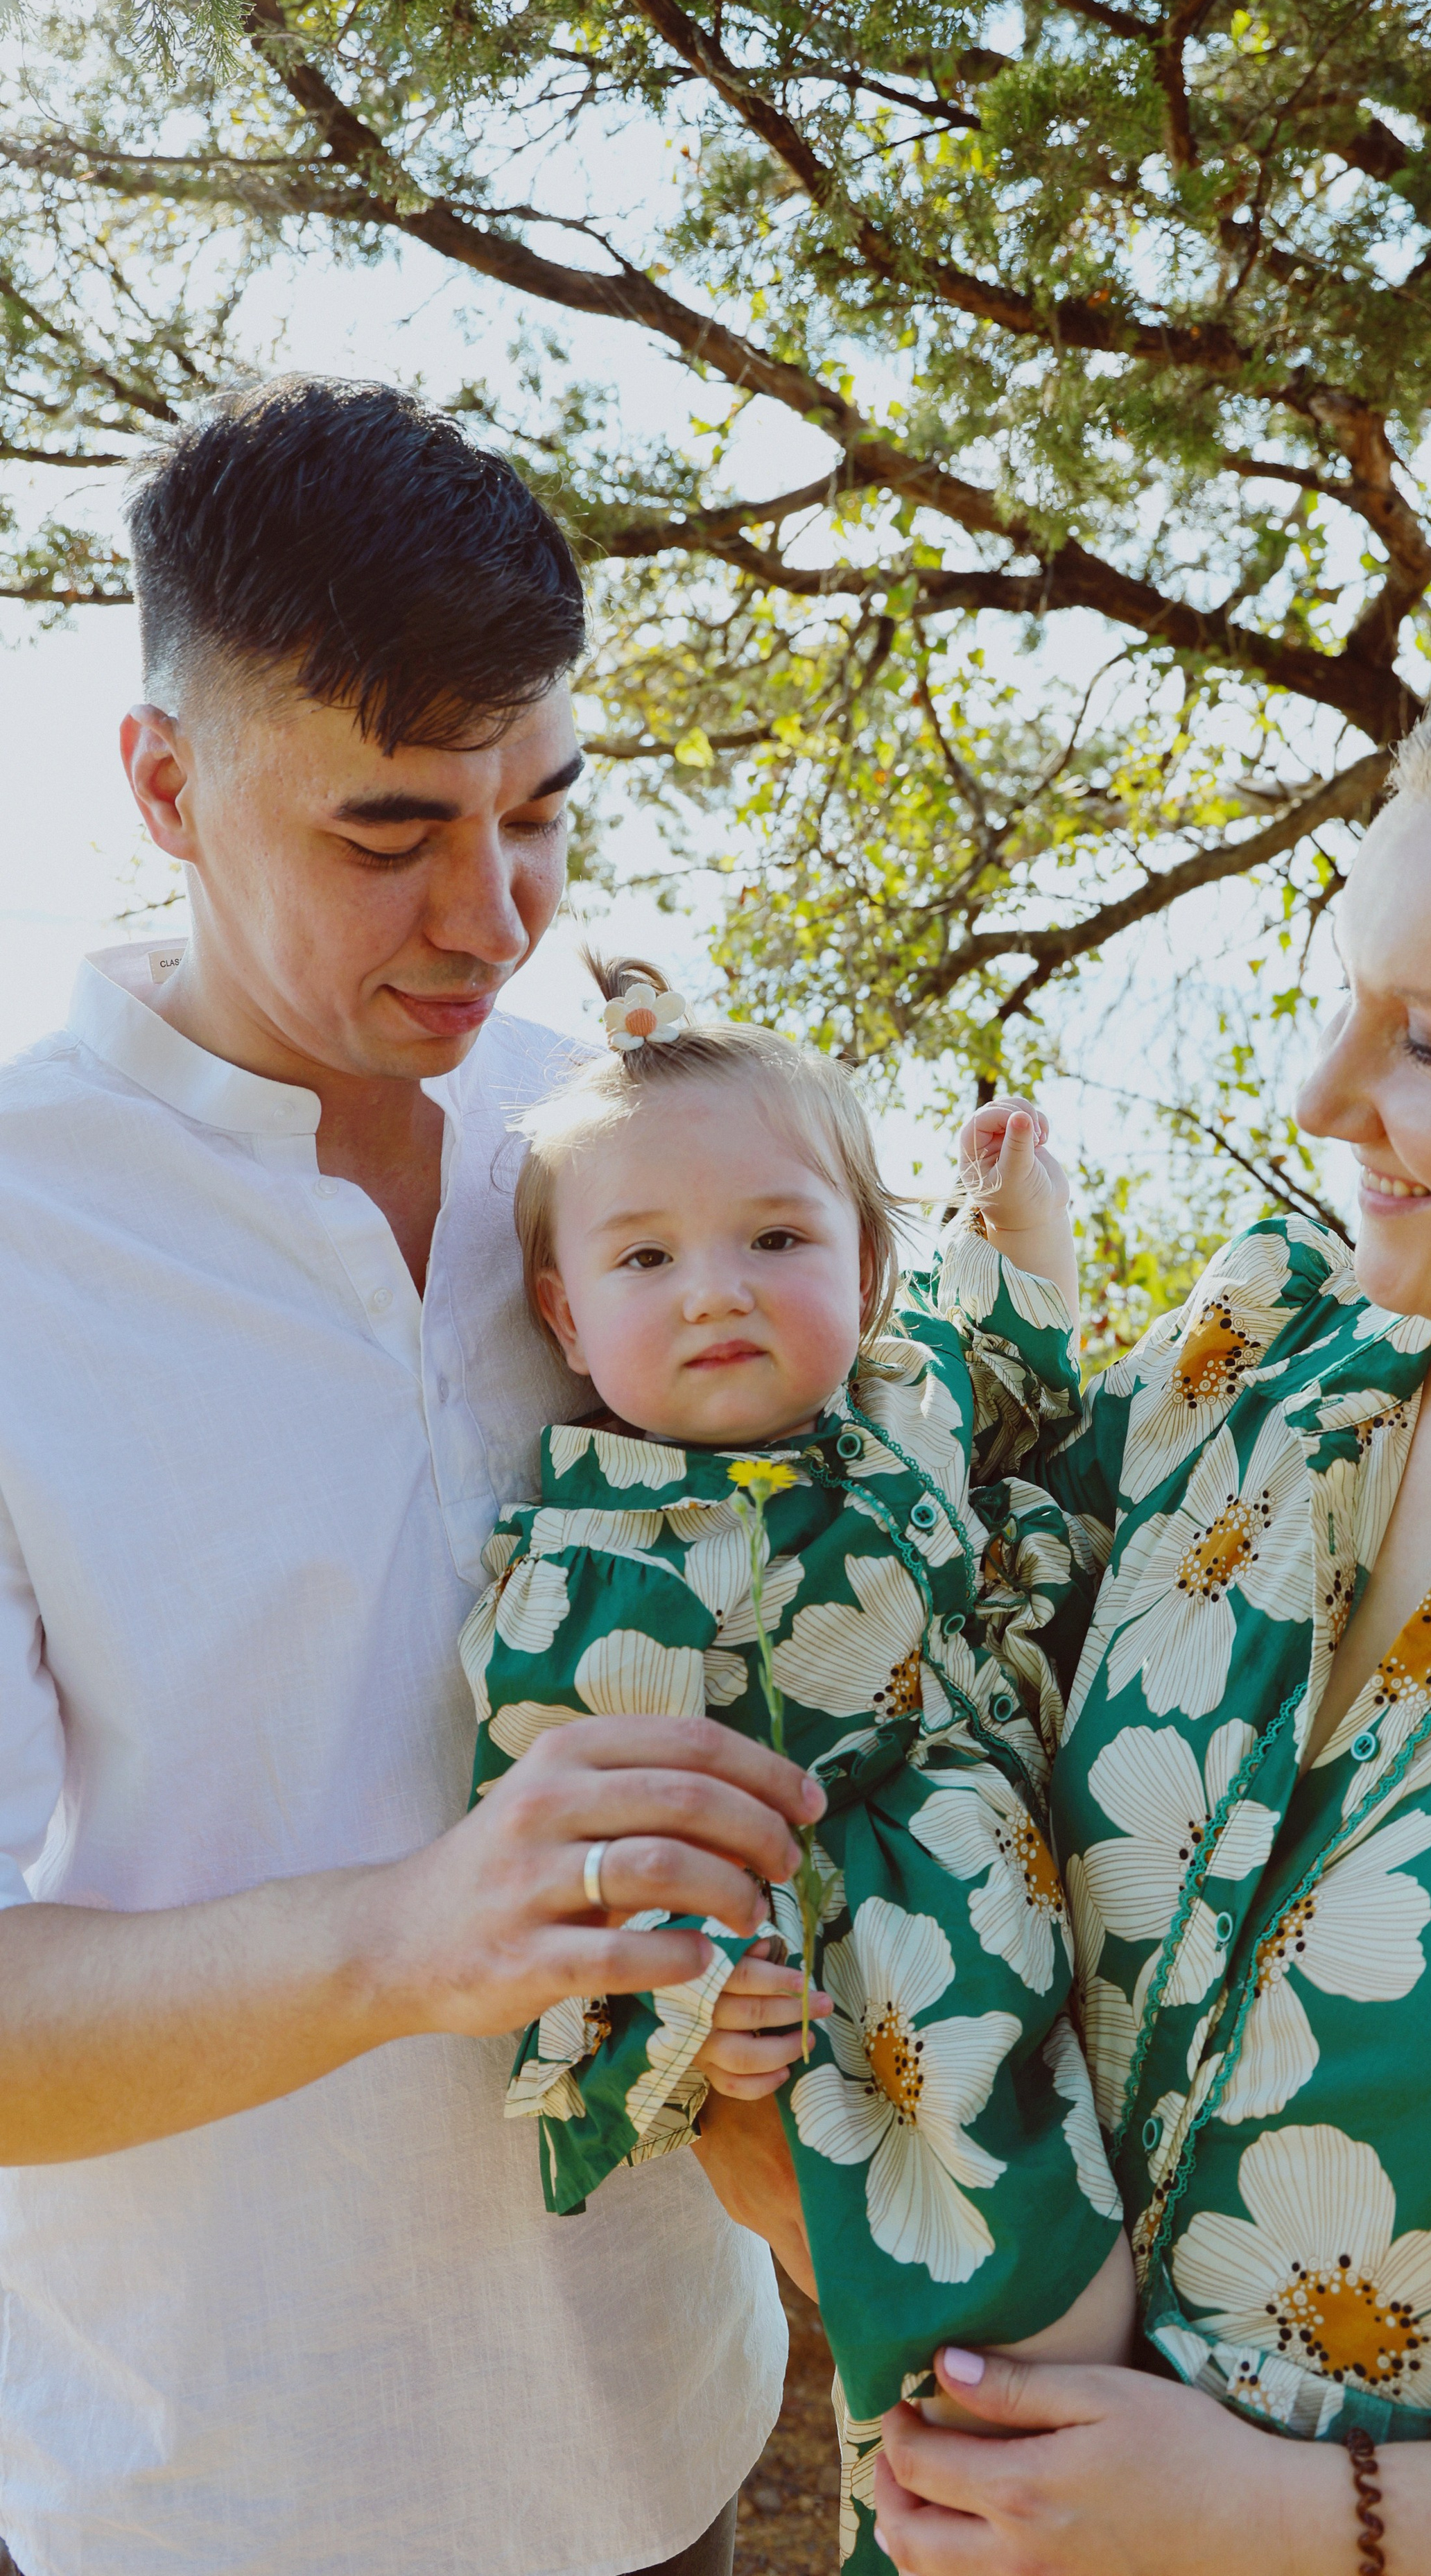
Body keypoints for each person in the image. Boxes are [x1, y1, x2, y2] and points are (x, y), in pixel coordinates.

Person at [0, 377, 822, 2576]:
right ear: (164, 786)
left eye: (541, 812)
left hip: (671, 2434)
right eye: (389, 835)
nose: (493, 915)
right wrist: (406, 1935)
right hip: (218, 2503)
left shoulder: (625, 1145)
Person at [864, 648, 1431, 2575]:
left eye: (1429, 1046)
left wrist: (1283, 2519)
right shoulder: (1242, 1371)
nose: (1316, 1096)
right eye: (1341, 997)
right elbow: (916, 1702)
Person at [465, 958, 1134, 2575]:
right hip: (876, 1977)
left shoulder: (897, 1401)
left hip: (1064, 1887)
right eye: (646, 1257)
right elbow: (592, 1838)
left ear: (867, 1266)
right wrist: (696, 2010)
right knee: (1011, 2361)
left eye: (776, 1240)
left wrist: (1019, 1216)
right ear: (565, 1316)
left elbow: (1012, 1368)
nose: (717, 1292)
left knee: (1152, 2300)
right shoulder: (612, 1557)